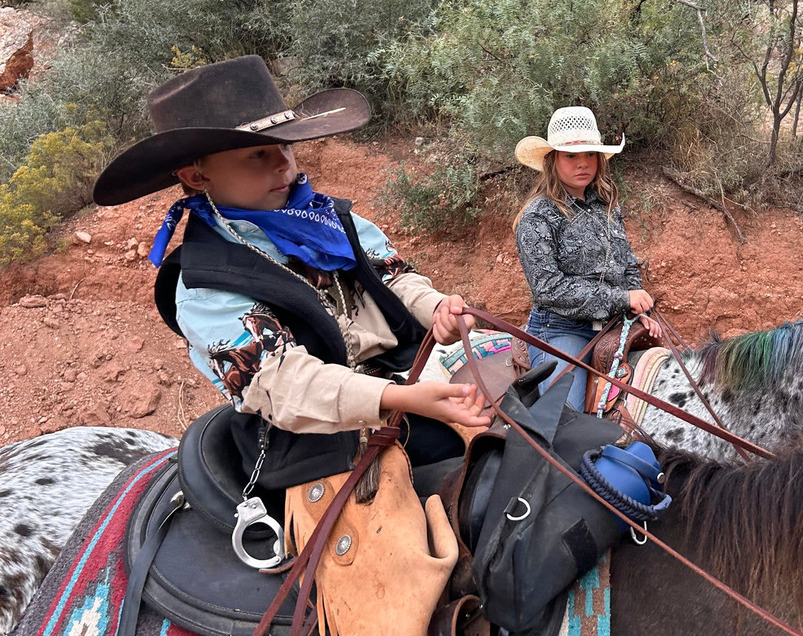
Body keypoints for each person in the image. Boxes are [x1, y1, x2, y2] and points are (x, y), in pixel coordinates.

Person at [92, 55, 491, 480]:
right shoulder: (204, 285)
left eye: (285, 145)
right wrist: (398, 398)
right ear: (196, 177)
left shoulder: (328, 220)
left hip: (405, 382)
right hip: (314, 441)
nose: (283, 163)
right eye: (257, 155)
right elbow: (284, 386)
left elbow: (392, 276)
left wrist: (435, 308)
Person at [513, 106, 662, 411]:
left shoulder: (606, 205)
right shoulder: (537, 216)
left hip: (613, 323)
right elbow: (549, 289)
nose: (583, 162)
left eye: (590, 154)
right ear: (552, 160)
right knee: (567, 419)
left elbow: (626, 261)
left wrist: (639, 309)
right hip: (560, 328)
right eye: (571, 155)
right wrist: (623, 298)